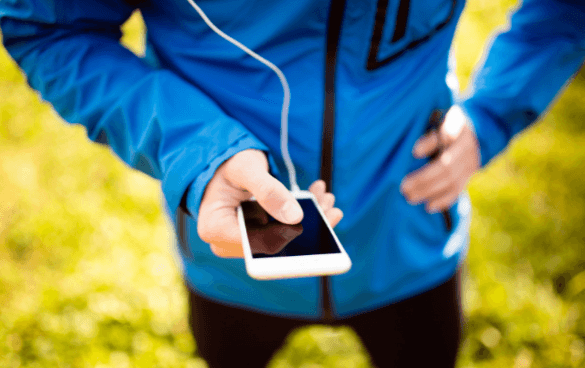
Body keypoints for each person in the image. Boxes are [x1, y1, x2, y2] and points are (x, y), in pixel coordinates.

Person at [1, 0, 584, 367]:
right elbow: (49, 27)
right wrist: (197, 150)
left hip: (408, 237)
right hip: (234, 259)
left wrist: (494, 114)